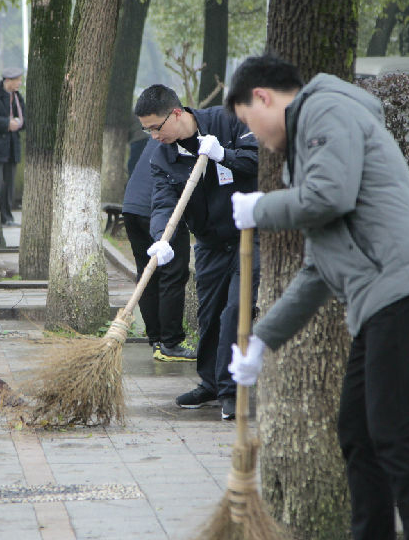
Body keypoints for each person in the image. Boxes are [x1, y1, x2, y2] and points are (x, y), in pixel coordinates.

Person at [224, 55, 409, 540]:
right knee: (357, 430)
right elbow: (318, 269)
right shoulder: (307, 146)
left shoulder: (327, 111)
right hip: (381, 298)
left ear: (262, 97)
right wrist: (262, 340)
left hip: (403, 286)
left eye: (249, 122)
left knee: (394, 431)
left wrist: (261, 208)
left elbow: (331, 195)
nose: (258, 139)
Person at [134, 84, 259, 420]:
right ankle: (211, 383)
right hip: (210, 242)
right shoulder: (163, 155)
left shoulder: (229, 121)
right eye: (145, 130)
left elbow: (259, 161)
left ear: (177, 113)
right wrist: (160, 238)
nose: (152, 136)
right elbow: (162, 201)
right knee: (209, 314)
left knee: (236, 310)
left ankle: (233, 390)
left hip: (250, 236)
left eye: (155, 127)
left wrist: (224, 155)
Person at [122, 137, 195, 362]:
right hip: (160, 211)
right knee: (172, 274)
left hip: (132, 208)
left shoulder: (160, 133)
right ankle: (170, 343)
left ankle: (155, 339)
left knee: (147, 272)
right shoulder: (186, 136)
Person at [0, 67, 26, 226]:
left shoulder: (17, 97)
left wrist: (19, 123)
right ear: (7, 81)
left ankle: (7, 216)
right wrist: (6, 123)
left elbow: (24, 116)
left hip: (12, 147)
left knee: (9, 183)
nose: (19, 83)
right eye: (17, 80)